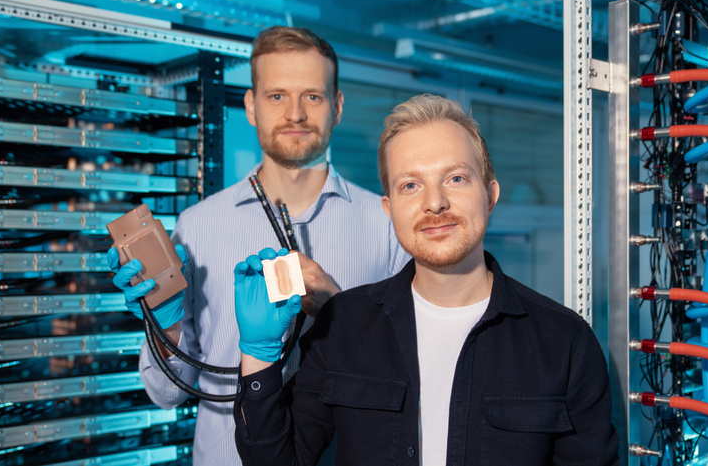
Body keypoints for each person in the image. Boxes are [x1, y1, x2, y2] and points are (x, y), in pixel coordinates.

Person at [232, 94, 619, 465]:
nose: (434, 202)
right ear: (390, 209)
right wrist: (258, 356)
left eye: (455, 178)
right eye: (410, 186)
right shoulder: (343, 325)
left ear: (490, 195)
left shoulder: (565, 343)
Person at [107, 26, 410, 466]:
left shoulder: (386, 225)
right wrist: (165, 327)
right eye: (276, 96)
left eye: (313, 96)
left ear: (337, 106)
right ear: (250, 106)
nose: (295, 114)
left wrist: (336, 311)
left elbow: (411, 374)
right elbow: (168, 393)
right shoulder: (196, 226)